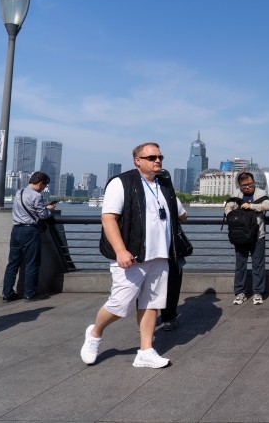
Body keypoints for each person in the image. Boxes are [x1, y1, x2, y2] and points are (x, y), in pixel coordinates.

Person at [80, 142, 187, 368]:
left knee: (152, 303)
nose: (157, 161)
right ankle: (95, 332)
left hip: (161, 255)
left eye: (160, 157)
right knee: (120, 304)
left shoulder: (164, 185)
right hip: (132, 255)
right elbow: (108, 218)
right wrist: (120, 251)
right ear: (137, 161)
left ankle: (145, 351)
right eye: (151, 157)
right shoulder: (122, 183)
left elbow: (182, 215)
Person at [2, 171, 56, 302]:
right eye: (45, 185)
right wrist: (50, 209)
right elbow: (43, 215)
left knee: (13, 263)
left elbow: (26, 207)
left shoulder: (19, 192)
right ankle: (30, 293)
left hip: (16, 230)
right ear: (40, 183)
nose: (44, 188)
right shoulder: (36, 196)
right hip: (30, 231)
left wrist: (43, 207)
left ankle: (7, 293)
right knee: (32, 263)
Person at [224, 171, 269, 305]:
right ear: (239, 185)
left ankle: (258, 293)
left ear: (254, 182)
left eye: (250, 184)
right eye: (244, 185)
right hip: (240, 236)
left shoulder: (261, 193)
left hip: (258, 235)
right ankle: (240, 292)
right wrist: (234, 217)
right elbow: (227, 208)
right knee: (240, 265)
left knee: (258, 265)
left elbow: (268, 205)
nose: (248, 187)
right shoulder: (236, 194)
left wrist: (252, 206)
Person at [158, 169, 188, 331]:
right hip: (171, 249)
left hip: (147, 250)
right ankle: (168, 318)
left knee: (146, 286)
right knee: (172, 284)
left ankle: (143, 320)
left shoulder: (142, 194)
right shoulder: (170, 196)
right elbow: (183, 216)